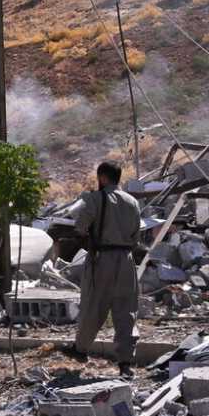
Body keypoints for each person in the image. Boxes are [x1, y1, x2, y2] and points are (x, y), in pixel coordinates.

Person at [69, 161, 142, 378]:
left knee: (93, 304)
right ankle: (125, 363)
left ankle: (81, 349)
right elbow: (137, 236)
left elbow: (80, 226)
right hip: (127, 260)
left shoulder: (94, 199)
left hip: (102, 258)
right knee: (127, 310)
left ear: (102, 177)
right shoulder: (132, 202)